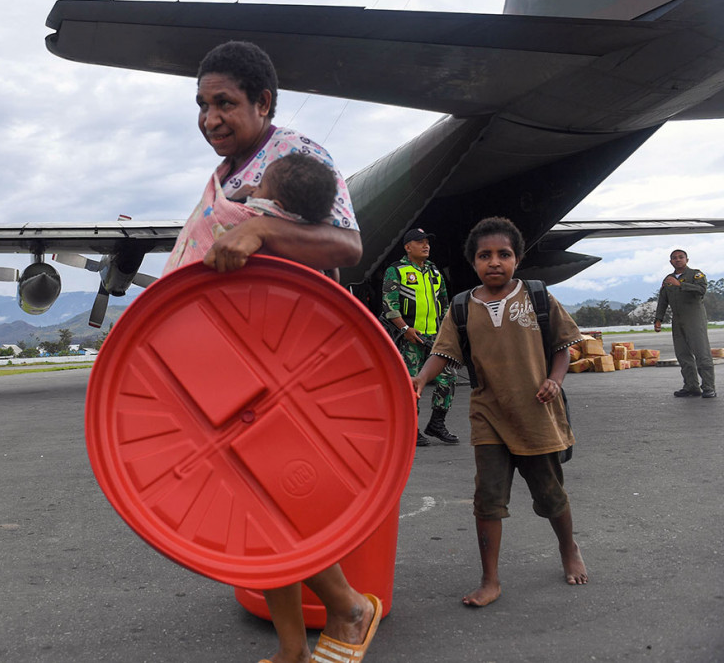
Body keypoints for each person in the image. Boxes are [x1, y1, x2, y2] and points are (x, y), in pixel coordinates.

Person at [167, 40, 375, 663]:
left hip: (284, 361)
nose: (210, 118)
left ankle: (350, 608)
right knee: (252, 508)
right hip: (229, 363)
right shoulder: (232, 173)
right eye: (202, 105)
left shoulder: (296, 155)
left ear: (263, 101)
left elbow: (346, 246)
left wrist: (259, 228)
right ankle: (291, 650)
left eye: (224, 103)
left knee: (276, 502)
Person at [411, 217, 588, 608]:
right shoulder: (462, 307)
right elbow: (443, 353)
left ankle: (568, 547)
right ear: (473, 262)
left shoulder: (537, 297)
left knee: (550, 496)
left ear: (517, 259)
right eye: (484, 255)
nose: (494, 262)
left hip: (537, 416)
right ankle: (489, 579)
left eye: (503, 254)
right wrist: (420, 379)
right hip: (488, 416)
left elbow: (563, 346)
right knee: (487, 499)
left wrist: (555, 379)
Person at [381, 228, 458, 447]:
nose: (426, 246)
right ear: (408, 247)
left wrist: (446, 332)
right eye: (420, 242)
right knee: (411, 384)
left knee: (448, 378)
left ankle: (436, 424)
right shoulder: (397, 271)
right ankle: (411, 429)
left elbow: (444, 304)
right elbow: (389, 306)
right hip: (410, 339)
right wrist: (406, 328)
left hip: (435, 339)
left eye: (427, 242)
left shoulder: (434, 271)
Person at [654, 249, 716, 398]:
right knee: (683, 354)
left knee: (702, 353)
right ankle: (691, 386)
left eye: (681, 257)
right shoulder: (668, 279)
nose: (677, 260)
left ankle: (709, 387)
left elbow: (701, 290)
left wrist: (681, 285)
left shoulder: (695, 275)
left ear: (687, 260)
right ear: (670, 262)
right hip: (677, 320)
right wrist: (658, 319)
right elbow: (663, 300)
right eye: (674, 258)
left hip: (694, 319)